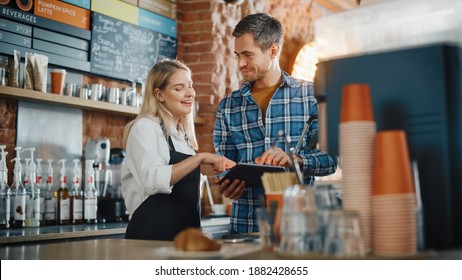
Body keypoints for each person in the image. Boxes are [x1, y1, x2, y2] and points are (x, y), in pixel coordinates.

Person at [213, 13, 338, 234]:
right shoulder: (229, 106)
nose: (241, 63)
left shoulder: (310, 97)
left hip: (299, 227)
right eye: (237, 55)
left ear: (272, 51)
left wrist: (295, 160)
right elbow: (224, 164)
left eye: (248, 55)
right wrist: (227, 182)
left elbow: (330, 161)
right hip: (245, 228)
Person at [121, 59, 236, 240]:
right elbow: (152, 181)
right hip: (151, 237)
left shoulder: (182, 135)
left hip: (183, 237)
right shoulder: (146, 127)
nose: (189, 93)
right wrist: (200, 158)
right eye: (179, 88)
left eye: (190, 86)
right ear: (159, 95)